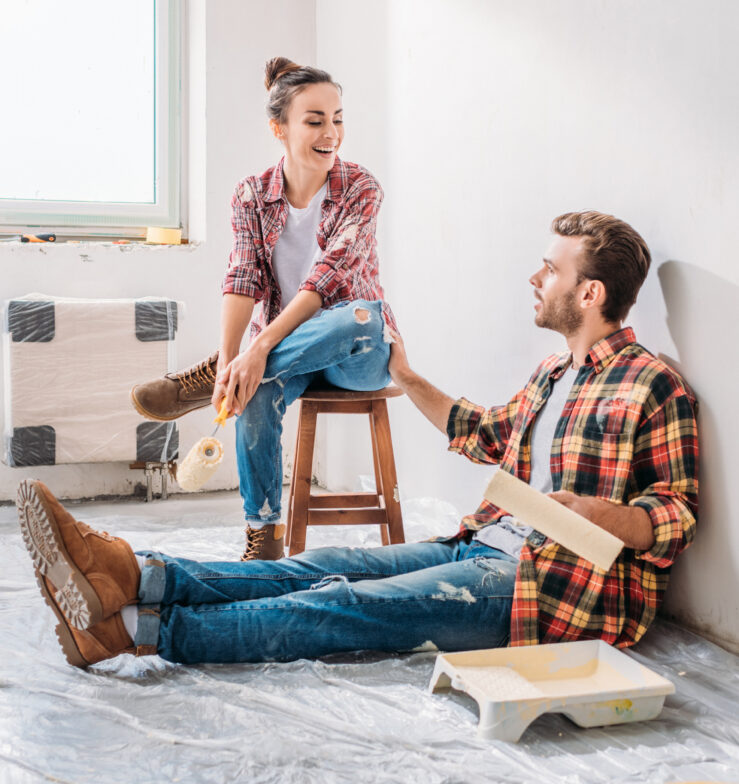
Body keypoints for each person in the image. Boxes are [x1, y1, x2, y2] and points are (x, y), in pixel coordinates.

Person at [19, 211, 698, 669]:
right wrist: (406, 375)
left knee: (345, 605)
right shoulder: (554, 374)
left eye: (549, 269)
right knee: (325, 564)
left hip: (545, 587)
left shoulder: (652, 386)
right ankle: (138, 575)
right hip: (486, 542)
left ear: (590, 294)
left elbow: (676, 514)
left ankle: (130, 631)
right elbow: (485, 433)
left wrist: (618, 519)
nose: (534, 277)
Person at [131, 58, 396, 560]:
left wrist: (258, 348)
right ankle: (264, 536)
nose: (331, 132)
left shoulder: (360, 189)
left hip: (354, 352)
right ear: (279, 128)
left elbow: (326, 282)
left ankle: (224, 370)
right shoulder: (252, 194)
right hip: (283, 352)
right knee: (251, 388)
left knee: (357, 313)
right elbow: (243, 277)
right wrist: (235, 356)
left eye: (337, 118)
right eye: (314, 120)